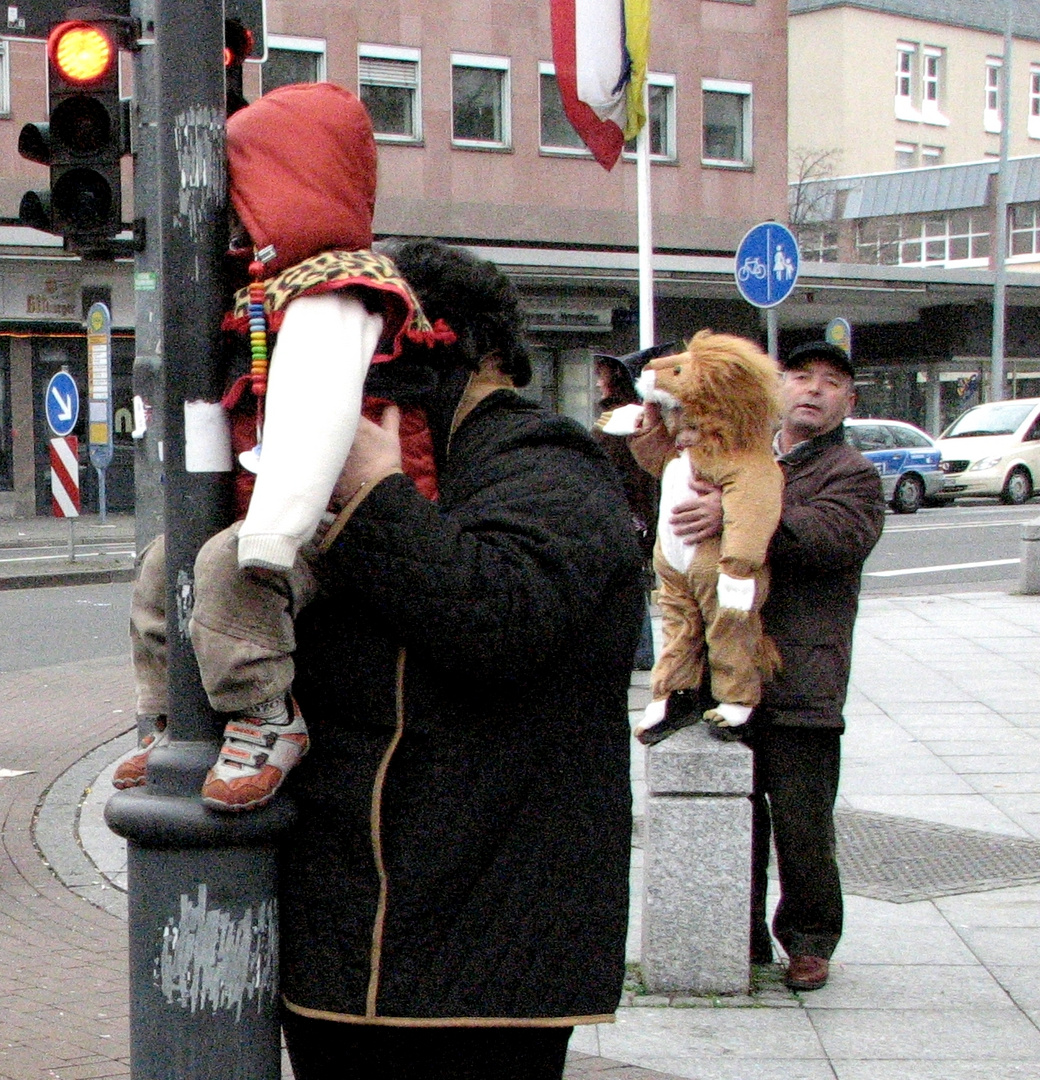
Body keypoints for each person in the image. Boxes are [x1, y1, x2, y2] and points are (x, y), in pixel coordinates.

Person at [277, 238, 645, 1079]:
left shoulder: (546, 458)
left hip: (482, 952)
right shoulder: (434, 458)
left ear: (462, 348)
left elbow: (498, 616)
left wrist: (375, 495)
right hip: (360, 934)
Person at [113, 82, 446, 810]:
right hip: (281, 506)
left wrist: (271, 534)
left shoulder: (334, 292)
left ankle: (266, 715)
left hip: (338, 511)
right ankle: (171, 716)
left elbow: (316, 413)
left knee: (227, 567)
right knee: (162, 566)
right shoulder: (269, 294)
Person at [629, 339, 884, 992]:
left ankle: (809, 940)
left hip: (802, 678)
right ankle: (735, 940)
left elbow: (836, 538)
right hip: (728, 673)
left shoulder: (849, 472)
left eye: (832, 382)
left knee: (802, 825)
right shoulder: (734, 448)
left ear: (848, 402)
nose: (813, 390)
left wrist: (741, 516)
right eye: (800, 376)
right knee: (733, 818)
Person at [631, 331, 783, 743]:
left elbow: (753, 507)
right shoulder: (688, 450)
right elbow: (660, 464)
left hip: (716, 565)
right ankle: (673, 692)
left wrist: (740, 565)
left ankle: (738, 698)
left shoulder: (741, 458)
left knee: (729, 627)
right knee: (678, 627)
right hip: (677, 561)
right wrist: (647, 429)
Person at [591, 350, 662, 669]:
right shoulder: (625, 415)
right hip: (634, 512)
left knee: (626, 582)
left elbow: (622, 470)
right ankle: (641, 651)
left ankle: (640, 651)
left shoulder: (622, 418)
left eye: (602, 374)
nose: (597, 382)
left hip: (625, 511)